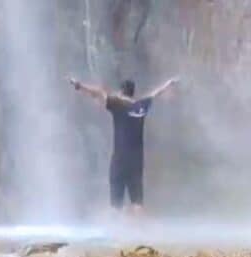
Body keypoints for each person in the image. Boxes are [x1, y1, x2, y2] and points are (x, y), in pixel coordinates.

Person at [69, 76, 179, 213]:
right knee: (137, 202)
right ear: (133, 92)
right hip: (137, 161)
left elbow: (98, 93)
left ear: (121, 92)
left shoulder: (117, 104)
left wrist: (78, 85)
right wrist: (168, 84)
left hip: (120, 160)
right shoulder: (141, 106)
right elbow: (155, 94)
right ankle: (139, 232)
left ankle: (117, 230)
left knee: (116, 204)